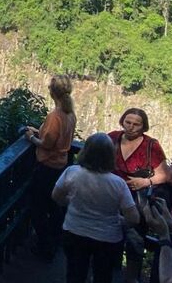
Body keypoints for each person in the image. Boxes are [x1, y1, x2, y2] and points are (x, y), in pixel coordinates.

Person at [52, 133, 140, 283]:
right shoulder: (118, 183)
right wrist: (120, 220)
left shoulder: (72, 172)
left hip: (75, 230)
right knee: (103, 276)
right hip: (107, 238)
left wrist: (73, 204)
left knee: (74, 274)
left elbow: (57, 196)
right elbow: (134, 218)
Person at [108, 108, 169, 283]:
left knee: (135, 241)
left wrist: (145, 182)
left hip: (136, 201)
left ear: (144, 126)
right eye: (128, 122)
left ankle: (130, 279)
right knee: (109, 239)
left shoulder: (151, 146)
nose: (131, 127)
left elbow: (165, 174)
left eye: (136, 124)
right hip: (111, 197)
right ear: (122, 121)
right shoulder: (112, 138)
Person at [25, 74, 76, 260]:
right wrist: (39, 131)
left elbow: (47, 144)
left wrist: (31, 137)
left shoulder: (55, 116)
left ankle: (45, 247)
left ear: (52, 92)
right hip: (61, 166)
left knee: (38, 208)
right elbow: (57, 137)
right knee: (54, 208)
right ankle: (53, 242)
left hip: (47, 167)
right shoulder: (70, 114)